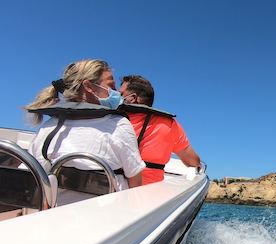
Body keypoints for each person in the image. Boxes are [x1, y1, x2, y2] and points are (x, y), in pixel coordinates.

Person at [24, 59, 145, 200]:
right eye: (111, 86)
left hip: (56, 217)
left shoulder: (49, 128)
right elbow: (135, 184)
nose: (116, 92)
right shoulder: (119, 125)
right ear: (89, 86)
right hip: (111, 217)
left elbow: (34, 178)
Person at [119, 75, 201, 185]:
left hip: (111, 190)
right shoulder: (169, 124)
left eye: (120, 94)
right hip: (151, 194)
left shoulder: (113, 120)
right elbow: (193, 161)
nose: (116, 96)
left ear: (132, 98)